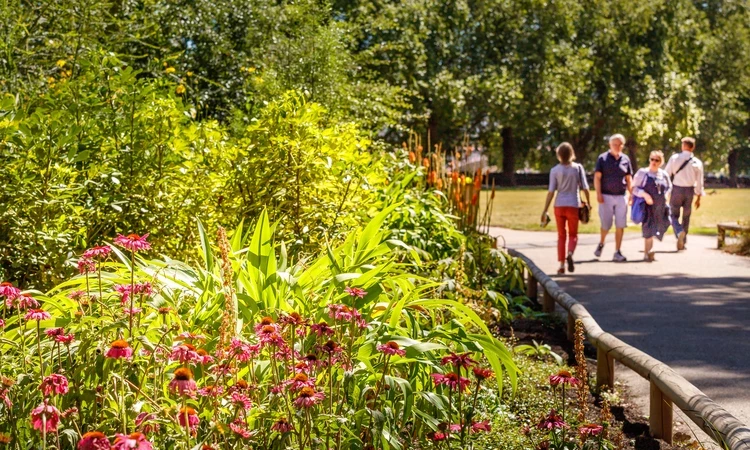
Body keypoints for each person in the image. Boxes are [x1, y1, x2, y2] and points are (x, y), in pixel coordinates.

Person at [541, 142, 591, 274]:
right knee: (573, 234)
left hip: (559, 205)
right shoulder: (578, 168)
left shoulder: (554, 170)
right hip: (573, 204)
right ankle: (570, 253)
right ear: (571, 153)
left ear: (558, 155)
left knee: (561, 235)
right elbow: (585, 187)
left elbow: (551, 191)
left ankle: (562, 264)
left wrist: (545, 209)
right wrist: (588, 203)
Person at [593, 134, 633, 262]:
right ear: (610, 145)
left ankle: (617, 251)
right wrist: (598, 193)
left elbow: (628, 178)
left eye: (620, 144)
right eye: (615, 144)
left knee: (620, 224)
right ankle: (601, 243)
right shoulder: (603, 159)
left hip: (621, 196)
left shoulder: (625, 159)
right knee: (606, 224)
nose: (617, 146)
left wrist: (631, 193)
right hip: (606, 196)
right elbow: (597, 177)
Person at [664, 137, 704, 250]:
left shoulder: (674, 158)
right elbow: (699, 182)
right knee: (686, 217)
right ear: (693, 147)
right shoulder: (697, 162)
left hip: (677, 189)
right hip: (690, 191)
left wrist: (666, 190)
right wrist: (699, 197)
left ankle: (679, 231)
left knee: (673, 214)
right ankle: (683, 241)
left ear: (683, 146)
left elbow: (666, 174)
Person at [632, 151, 672, 261]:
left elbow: (669, 187)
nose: (654, 162)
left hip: (660, 206)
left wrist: (667, 195)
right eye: (652, 159)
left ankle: (650, 251)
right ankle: (648, 252)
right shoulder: (643, 173)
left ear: (661, 162)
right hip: (647, 206)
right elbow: (634, 188)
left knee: (659, 227)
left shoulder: (663, 174)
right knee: (648, 228)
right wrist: (644, 195)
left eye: (657, 160)